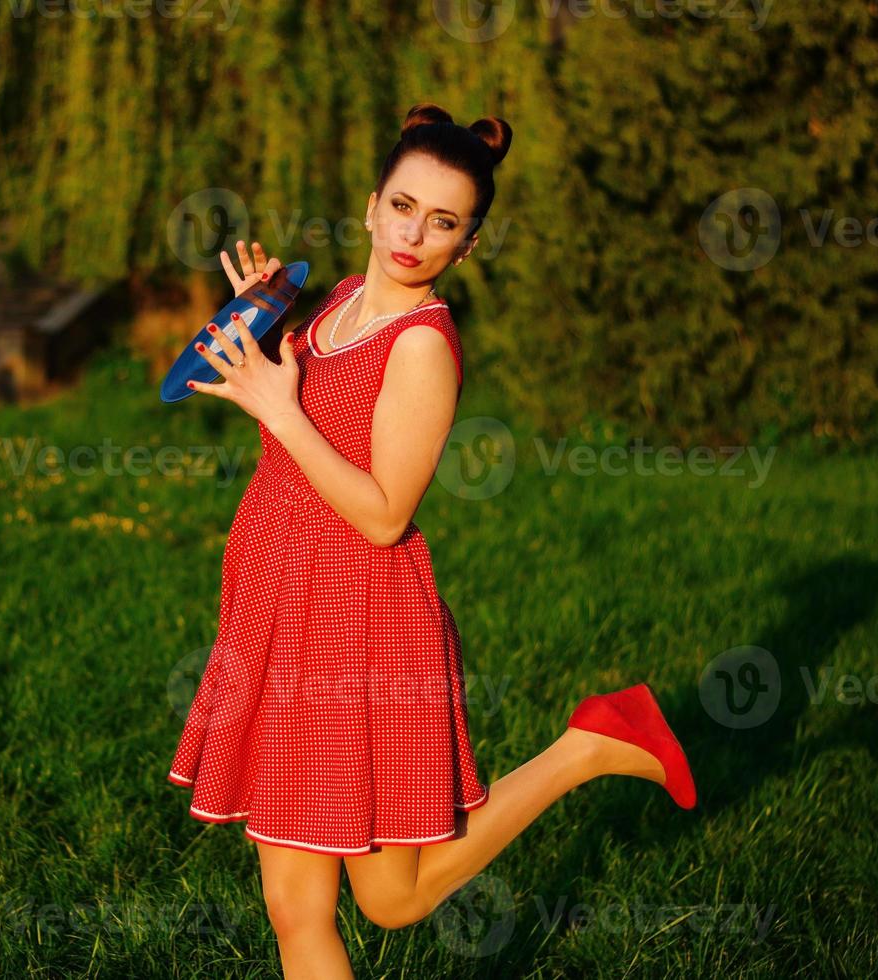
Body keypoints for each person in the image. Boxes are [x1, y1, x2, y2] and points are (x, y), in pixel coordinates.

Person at [167, 102, 696, 978]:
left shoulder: (422, 348)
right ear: (372, 206)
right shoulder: (333, 305)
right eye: (404, 207)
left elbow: (382, 513)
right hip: (277, 598)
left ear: (468, 243)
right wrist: (256, 327)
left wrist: (280, 407)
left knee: (349, 906)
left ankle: (591, 746)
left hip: (356, 622)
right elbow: (283, 417)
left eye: (444, 221)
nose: (415, 234)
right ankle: (594, 742)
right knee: (339, 904)